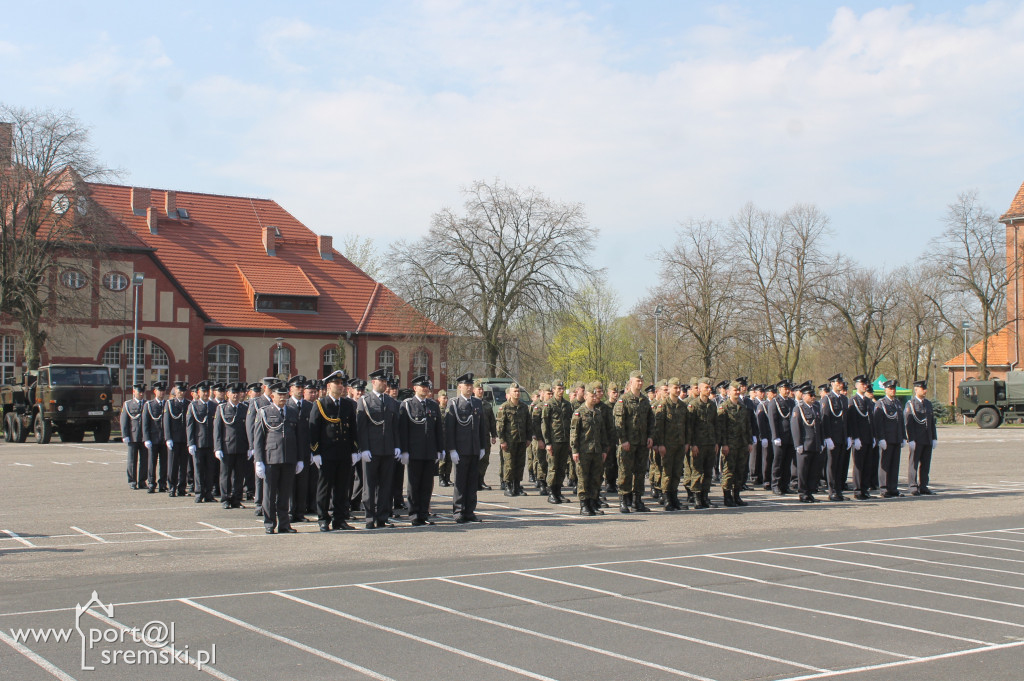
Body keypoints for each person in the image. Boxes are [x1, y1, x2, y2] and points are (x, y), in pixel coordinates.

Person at [309, 370, 358, 531]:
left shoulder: (347, 405)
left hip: (343, 453)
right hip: (327, 453)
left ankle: (340, 519)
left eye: (342, 383)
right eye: (337, 383)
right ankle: (323, 518)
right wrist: (315, 452)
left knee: (342, 489)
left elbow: (352, 430)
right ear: (329, 385)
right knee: (324, 488)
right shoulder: (320, 404)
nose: (340, 386)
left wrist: (354, 450)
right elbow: (313, 430)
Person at [253, 382, 301, 534]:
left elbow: (298, 437)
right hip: (271, 458)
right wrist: (258, 460)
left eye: (284, 394)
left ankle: (284, 524)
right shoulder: (264, 412)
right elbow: (259, 439)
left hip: (288, 458)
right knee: (269, 494)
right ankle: (269, 523)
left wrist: (299, 458)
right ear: (272, 396)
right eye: (279, 395)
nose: (282, 397)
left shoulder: (293, 412)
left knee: (285, 494)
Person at [398, 375, 445, 526]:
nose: (425, 389)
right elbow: (403, 430)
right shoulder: (407, 405)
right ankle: (414, 515)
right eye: (422, 386)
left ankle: (424, 514)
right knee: (414, 485)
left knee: (426, 485)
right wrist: (404, 450)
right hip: (414, 451)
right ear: (415, 388)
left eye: (427, 386)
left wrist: (440, 449)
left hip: (429, 451)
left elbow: (438, 429)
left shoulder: (432, 405)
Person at [356, 369, 400, 529]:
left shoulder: (391, 402)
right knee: (369, 486)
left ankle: (382, 517)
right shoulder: (365, 401)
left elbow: (395, 427)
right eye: (381, 381)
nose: (384, 384)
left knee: (385, 485)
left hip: (388, 449)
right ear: (373, 382)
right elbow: (361, 428)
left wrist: (397, 446)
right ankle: (369, 517)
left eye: (385, 381)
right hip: (372, 450)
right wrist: (364, 448)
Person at [445, 372, 489, 523]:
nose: (470, 388)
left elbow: (482, 427)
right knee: (460, 482)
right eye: (467, 385)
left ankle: (470, 511)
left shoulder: (477, 403)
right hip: (460, 450)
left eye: (471, 385)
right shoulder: (454, 403)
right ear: (460, 387)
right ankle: (458, 511)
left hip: (474, 448)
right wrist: (452, 449)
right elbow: (450, 429)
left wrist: (482, 446)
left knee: (472, 482)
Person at [613, 370, 655, 513]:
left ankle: (637, 500)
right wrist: (623, 440)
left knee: (640, 472)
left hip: (642, 443)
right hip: (628, 443)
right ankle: (624, 500)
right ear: (631, 382)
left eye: (642, 381)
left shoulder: (644, 401)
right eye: (638, 381)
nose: (640, 383)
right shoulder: (623, 400)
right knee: (625, 472)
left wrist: (650, 436)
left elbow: (651, 420)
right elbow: (619, 423)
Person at [570, 382, 608, 516]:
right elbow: (574, 433)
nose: (594, 398)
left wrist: (604, 449)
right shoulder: (579, 413)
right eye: (592, 395)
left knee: (595, 478)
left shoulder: (597, 413)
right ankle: (584, 505)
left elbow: (603, 433)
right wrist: (575, 450)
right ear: (585, 396)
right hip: (584, 451)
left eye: (595, 395)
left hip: (596, 451)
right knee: (583, 478)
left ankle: (593, 503)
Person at [654, 377, 688, 511]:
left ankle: (674, 497)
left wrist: (687, 442)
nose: (678, 390)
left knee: (677, 472)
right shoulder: (663, 405)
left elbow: (687, 427)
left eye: (679, 388)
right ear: (669, 389)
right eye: (675, 387)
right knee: (667, 472)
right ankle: (666, 497)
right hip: (667, 445)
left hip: (679, 444)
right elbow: (658, 427)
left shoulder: (682, 406)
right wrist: (660, 444)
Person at [214, 382, 249, 509]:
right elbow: (217, 429)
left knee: (239, 476)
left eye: (237, 393)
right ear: (228, 394)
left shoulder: (245, 409)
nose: (235, 395)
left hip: (241, 447)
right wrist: (217, 447)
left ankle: (236, 499)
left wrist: (250, 447)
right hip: (227, 447)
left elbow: (248, 430)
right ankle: (225, 499)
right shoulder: (221, 409)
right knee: (225, 475)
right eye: (232, 393)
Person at [687, 377, 719, 510]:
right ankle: (696, 497)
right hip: (698, 444)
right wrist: (692, 444)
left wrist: (717, 442)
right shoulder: (693, 405)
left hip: (710, 443)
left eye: (709, 387)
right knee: (697, 471)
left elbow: (716, 424)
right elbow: (690, 427)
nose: (708, 389)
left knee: (708, 472)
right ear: (699, 389)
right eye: (706, 387)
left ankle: (705, 497)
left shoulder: (712, 405)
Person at [719, 381, 752, 507]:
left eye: (738, 390)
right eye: (734, 390)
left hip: (742, 444)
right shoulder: (724, 407)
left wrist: (749, 442)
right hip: (730, 445)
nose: (737, 392)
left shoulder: (743, 407)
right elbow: (721, 428)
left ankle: (736, 495)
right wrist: (724, 444)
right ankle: (727, 497)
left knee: (740, 471)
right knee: (728, 471)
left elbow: (747, 427)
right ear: (728, 392)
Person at [790, 381, 825, 503]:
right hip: (805, 445)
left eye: (813, 395)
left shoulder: (816, 408)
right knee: (803, 472)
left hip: (815, 445)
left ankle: (810, 492)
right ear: (804, 396)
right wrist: (798, 444)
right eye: (810, 395)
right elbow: (795, 427)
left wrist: (821, 442)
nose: (813, 397)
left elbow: (819, 427)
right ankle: (803, 493)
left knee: (813, 471)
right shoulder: (798, 409)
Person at [542, 379, 575, 505]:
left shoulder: (567, 405)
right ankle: (551, 492)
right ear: (553, 389)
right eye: (558, 389)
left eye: (562, 389)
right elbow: (544, 424)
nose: (561, 391)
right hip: (554, 440)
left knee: (562, 468)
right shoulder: (549, 404)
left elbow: (571, 424)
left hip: (564, 440)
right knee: (553, 467)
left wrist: (571, 442)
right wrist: (548, 442)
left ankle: (558, 491)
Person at [496, 382, 532, 497]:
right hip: (509, 441)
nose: (517, 393)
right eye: (514, 391)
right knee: (509, 464)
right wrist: (502, 441)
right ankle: (508, 486)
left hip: (521, 440)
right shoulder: (505, 407)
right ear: (510, 393)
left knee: (520, 464)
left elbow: (528, 424)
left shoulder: (524, 407)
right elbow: (500, 426)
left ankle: (517, 486)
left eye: (518, 391)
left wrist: (528, 438)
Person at [286, 375, 312, 524]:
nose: (300, 390)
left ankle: (300, 512)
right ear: (291, 390)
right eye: (298, 387)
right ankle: (290, 511)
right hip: (290, 450)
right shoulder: (287, 405)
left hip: (305, 450)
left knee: (302, 483)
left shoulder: (309, 406)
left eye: (302, 387)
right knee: (290, 483)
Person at [873, 379, 906, 498]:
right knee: (885, 464)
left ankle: (893, 487)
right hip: (886, 438)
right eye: (890, 388)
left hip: (896, 438)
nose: (893, 390)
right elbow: (878, 423)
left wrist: (903, 436)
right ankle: (884, 488)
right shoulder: (881, 403)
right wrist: (880, 438)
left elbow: (901, 421)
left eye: (894, 388)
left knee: (894, 464)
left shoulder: (897, 403)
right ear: (886, 389)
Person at [905, 380, 938, 496]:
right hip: (917, 439)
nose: (925, 390)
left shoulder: (928, 404)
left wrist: (934, 437)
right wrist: (911, 439)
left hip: (927, 438)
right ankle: (913, 486)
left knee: (925, 464)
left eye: (925, 388)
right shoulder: (911, 404)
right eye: (922, 388)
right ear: (916, 389)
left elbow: (931, 422)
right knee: (913, 463)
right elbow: (909, 423)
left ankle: (923, 485)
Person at [186, 381, 217, 503]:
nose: (205, 393)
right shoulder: (193, 406)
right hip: (198, 443)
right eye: (203, 391)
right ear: (198, 393)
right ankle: (199, 493)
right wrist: (191, 443)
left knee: (210, 470)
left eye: (207, 391)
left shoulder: (213, 406)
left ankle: (208, 493)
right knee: (198, 470)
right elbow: (190, 426)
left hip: (210, 443)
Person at [821, 373, 850, 501]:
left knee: (840, 465)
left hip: (843, 437)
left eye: (841, 382)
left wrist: (848, 436)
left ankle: (839, 490)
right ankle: (832, 491)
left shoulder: (843, 399)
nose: (840, 384)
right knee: (832, 466)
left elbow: (846, 420)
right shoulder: (827, 399)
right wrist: (827, 437)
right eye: (837, 382)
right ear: (832, 384)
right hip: (833, 437)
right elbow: (825, 419)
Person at [847, 375, 876, 500]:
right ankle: (858, 490)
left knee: (868, 464)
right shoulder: (853, 400)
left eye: (866, 384)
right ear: (856, 385)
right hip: (859, 437)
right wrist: (855, 437)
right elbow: (852, 420)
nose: (865, 386)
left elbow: (871, 421)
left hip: (869, 437)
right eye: (862, 384)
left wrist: (874, 436)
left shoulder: (868, 401)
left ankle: (865, 489)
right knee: (859, 465)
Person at [767, 380, 796, 495]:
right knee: (778, 462)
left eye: (788, 389)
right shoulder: (775, 402)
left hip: (789, 437)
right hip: (780, 437)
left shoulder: (791, 402)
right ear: (780, 389)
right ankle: (775, 485)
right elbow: (772, 421)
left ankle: (785, 485)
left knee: (787, 462)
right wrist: (775, 436)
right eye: (785, 389)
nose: (787, 391)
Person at [163, 381, 190, 497]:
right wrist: (168, 437)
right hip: (174, 439)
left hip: (184, 439)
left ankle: (182, 487)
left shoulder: (188, 404)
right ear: (175, 391)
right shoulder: (170, 404)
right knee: (173, 465)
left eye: (183, 391)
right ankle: (172, 487)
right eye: (179, 391)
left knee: (183, 465)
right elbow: (166, 422)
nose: (181, 393)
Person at [142, 381, 169, 493]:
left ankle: (162, 483)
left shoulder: (167, 404)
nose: (161, 393)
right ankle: (152, 483)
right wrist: (146, 438)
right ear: (155, 391)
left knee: (164, 463)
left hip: (164, 439)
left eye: (163, 391)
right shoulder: (149, 405)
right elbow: (145, 423)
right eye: (159, 391)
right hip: (153, 439)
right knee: (152, 462)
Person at [121, 384, 147, 490]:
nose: (141, 394)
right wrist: (125, 435)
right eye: (139, 392)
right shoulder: (128, 404)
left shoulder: (146, 404)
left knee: (144, 460)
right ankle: (132, 481)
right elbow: (124, 421)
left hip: (144, 436)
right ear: (134, 392)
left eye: (142, 392)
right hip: (133, 436)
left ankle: (142, 481)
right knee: (132, 460)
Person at [473, 379, 498, 491]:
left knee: (485, 459)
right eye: (479, 389)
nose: (481, 391)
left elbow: (492, 420)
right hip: (474, 437)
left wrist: (494, 435)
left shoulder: (486, 404)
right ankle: (474, 481)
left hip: (485, 436)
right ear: (474, 390)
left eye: (482, 389)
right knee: (475, 459)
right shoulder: (471, 403)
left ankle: (480, 480)